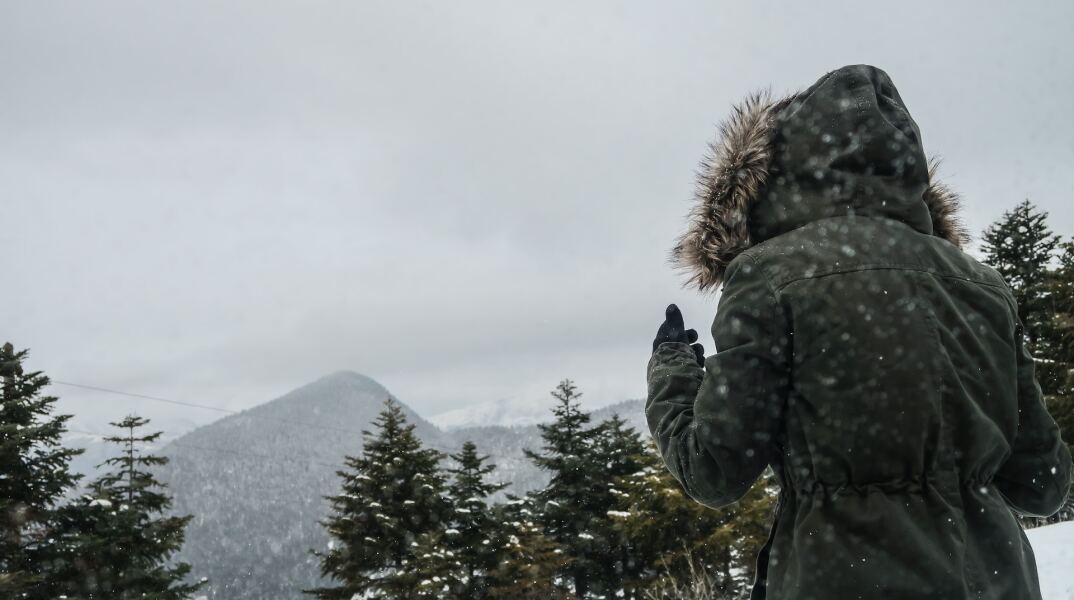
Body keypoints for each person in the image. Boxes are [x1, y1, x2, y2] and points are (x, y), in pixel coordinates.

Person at [646, 64, 1072, 600]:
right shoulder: (981, 285)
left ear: (776, 169)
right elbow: (1043, 484)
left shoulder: (769, 277)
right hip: (998, 582)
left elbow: (714, 471)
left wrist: (672, 373)